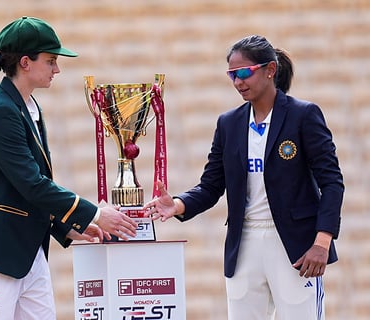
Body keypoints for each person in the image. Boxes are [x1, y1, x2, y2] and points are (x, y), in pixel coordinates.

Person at [144, 35, 344, 320]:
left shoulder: (304, 115)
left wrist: (321, 243)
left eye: (243, 73)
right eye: (231, 75)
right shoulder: (228, 123)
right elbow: (211, 185)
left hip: (296, 247)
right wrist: (177, 204)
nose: (238, 82)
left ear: (270, 70)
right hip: (245, 243)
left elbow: (332, 182)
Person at [0, 16, 137, 320]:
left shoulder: (27, 108)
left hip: (26, 250)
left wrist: (68, 227)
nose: (57, 68)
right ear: (26, 62)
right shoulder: (0, 112)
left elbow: (28, 188)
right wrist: (95, 214)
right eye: (50, 60)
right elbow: (31, 184)